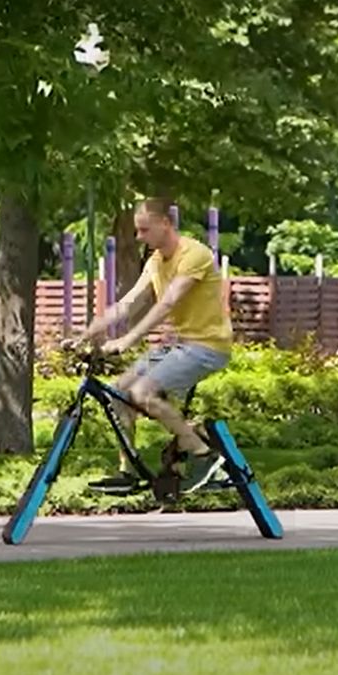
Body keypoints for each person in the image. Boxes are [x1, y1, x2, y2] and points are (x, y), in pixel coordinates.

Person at [74, 197, 233, 494]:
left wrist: (127, 340)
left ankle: (202, 454)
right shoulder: (155, 262)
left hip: (209, 346)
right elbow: (127, 304)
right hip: (181, 345)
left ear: (165, 224)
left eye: (144, 230)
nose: (139, 237)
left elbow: (169, 301)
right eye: (138, 231)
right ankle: (128, 470)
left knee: (142, 392)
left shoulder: (194, 254)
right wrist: (85, 335)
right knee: (118, 392)